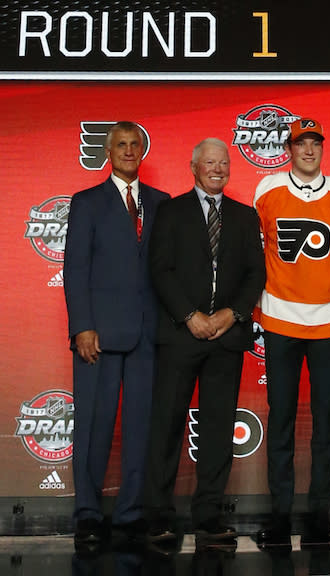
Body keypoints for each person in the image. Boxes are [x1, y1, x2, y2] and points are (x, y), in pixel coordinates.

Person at [144, 138, 265, 550]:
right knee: (166, 427)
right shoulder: (170, 211)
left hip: (226, 338)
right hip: (181, 335)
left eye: (223, 162)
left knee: (217, 430)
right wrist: (189, 316)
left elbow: (256, 275)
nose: (217, 169)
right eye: (209, 163)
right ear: (193, 167)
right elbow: (159, 269)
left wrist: (230, 315)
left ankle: (209, 517)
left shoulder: (245, 216)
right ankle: (158, 516)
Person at [253, 118, 330, 549]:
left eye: (316, 143)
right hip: (280, 321)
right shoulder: (267, 190)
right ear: (289, 148)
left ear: (322, 148)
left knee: (325, 423)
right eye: (302, 144)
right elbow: (257, 247)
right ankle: (280, 515)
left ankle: (319, 515)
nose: (309, 150)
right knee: (279, 419)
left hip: (329, 324)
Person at [64, 121, 169, 548]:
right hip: (99, 334)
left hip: (148, 333)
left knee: (142, 426)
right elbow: (75, 270)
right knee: (93, 425)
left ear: (143, 151)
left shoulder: (162, 203)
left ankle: (130, 512)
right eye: (121, 145)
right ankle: (88, 512)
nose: (128, 150)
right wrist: (82, 327)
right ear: (108, 152)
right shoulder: (87, 201)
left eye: (134, 144)